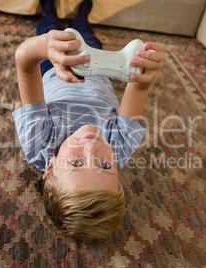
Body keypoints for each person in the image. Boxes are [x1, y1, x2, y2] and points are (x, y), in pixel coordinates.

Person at [12, 0, 163, 240]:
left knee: (51, 29)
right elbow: (139, 88)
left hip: (50, 70)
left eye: (76, 164)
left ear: (50, 167)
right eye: (105, 167)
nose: (92, 149)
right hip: (100, 71)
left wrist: (42, 46)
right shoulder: (119, 148)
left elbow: (24, 63)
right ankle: (82, 14)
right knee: (87, 34)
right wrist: (144, 76)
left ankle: (49, 9)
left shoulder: (38, 143)